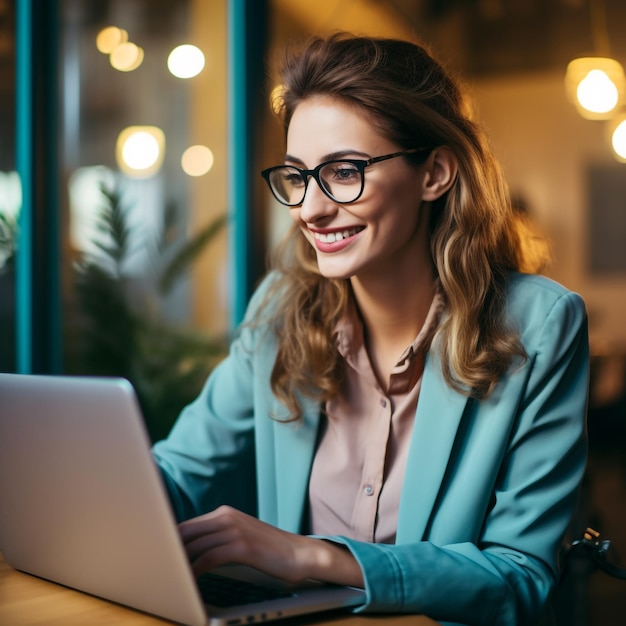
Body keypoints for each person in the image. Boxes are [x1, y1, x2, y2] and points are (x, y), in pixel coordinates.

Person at [152, 33, 589, 626]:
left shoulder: (539, 326)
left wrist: (314, 557)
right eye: (298, 177)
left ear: (434, 173)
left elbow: (519, 575)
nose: (310, 209)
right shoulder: (281, 309)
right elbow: (178, 472)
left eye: (344, 171)